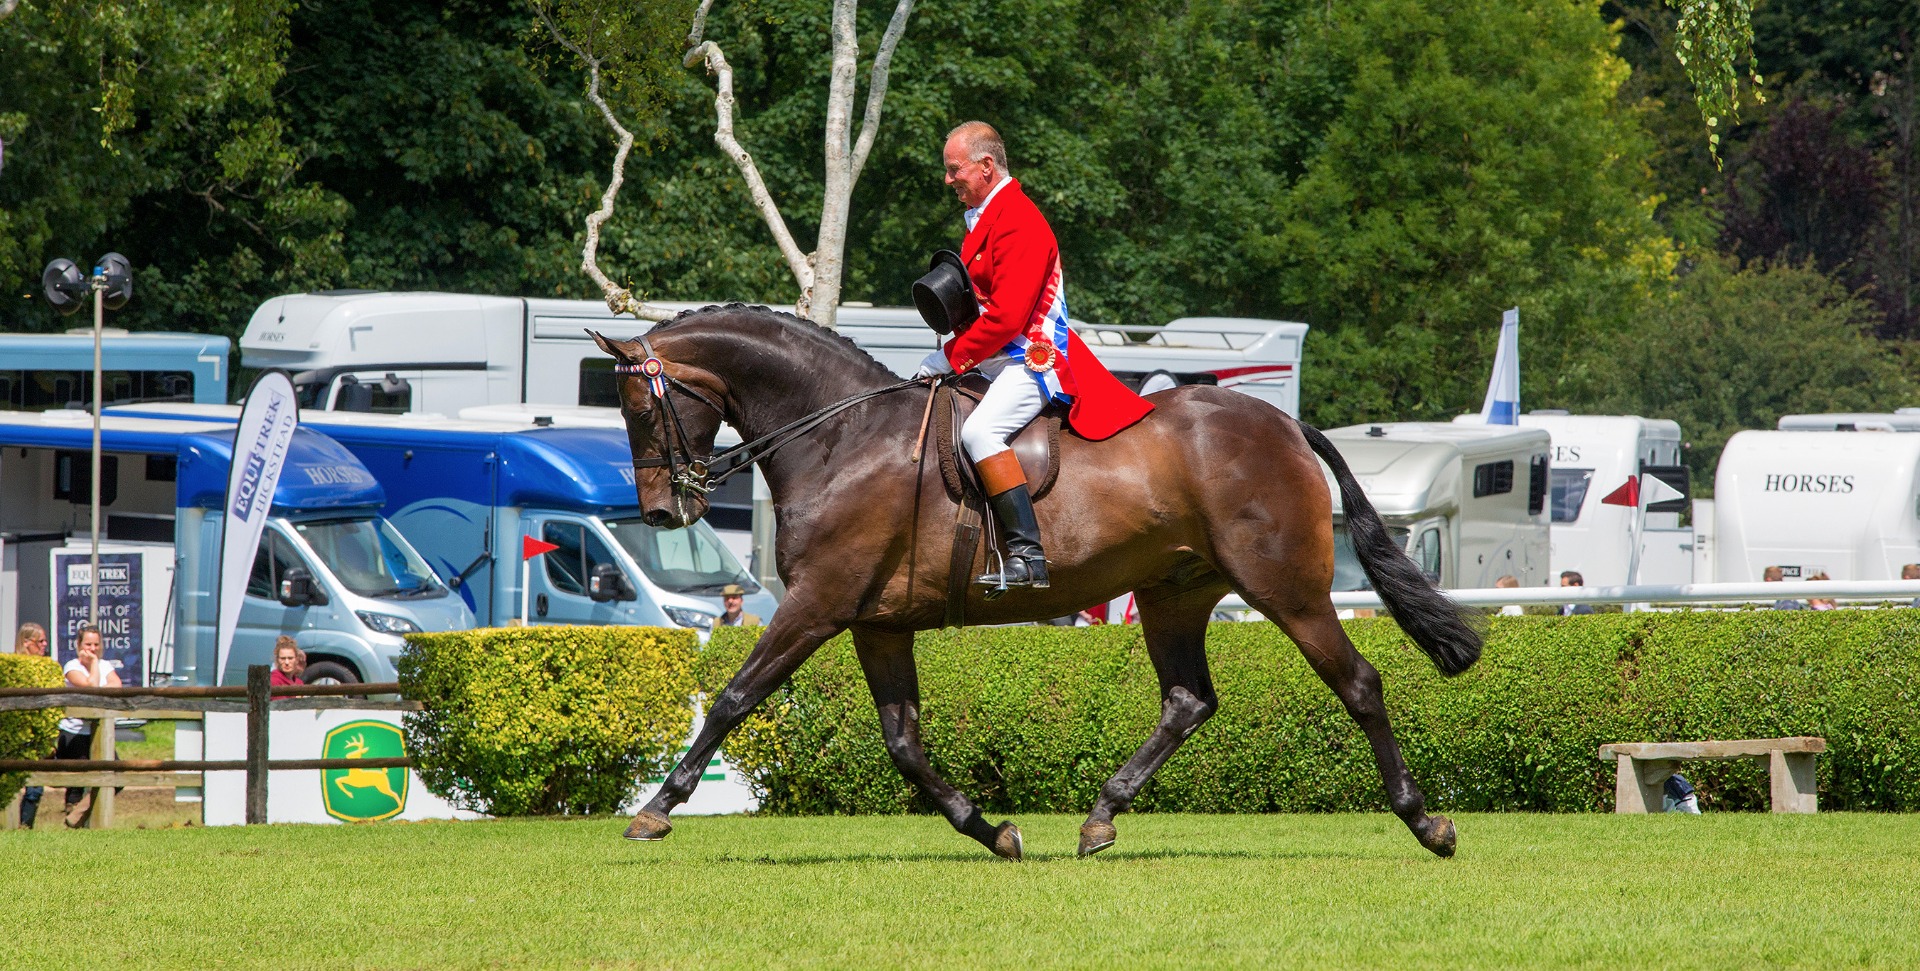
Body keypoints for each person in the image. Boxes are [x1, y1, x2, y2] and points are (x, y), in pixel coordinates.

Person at [914, 121, 1153, 596]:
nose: (948, 180)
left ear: (986, 166)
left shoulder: (1018, 219)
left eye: (954, 169)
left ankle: (1028, 555)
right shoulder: (987, 215)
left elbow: (1006, 319)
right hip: (1000, 356)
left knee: (981, 432)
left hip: (1034, 357)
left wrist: (950, 358)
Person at [58, 625, 121, 828]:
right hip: (74, 732)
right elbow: (90, 686)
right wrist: (93, 664)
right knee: (78, 779)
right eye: (88, 644)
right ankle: (74, 819)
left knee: (117, 774)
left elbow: (117, 686)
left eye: (96, 644)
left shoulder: (106, 665)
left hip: (100, 732)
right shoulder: (72, 666)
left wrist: (96, 672)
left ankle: (76, 817)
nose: (92, 648)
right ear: (78, 645)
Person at [13, 623, 49, 828]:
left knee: (35, 785)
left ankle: (25, 827)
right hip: (18, 733)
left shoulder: (46, 668)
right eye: (40, 641)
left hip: (36, 735)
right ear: (27, 643)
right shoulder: (14, 667)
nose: (44, 645)